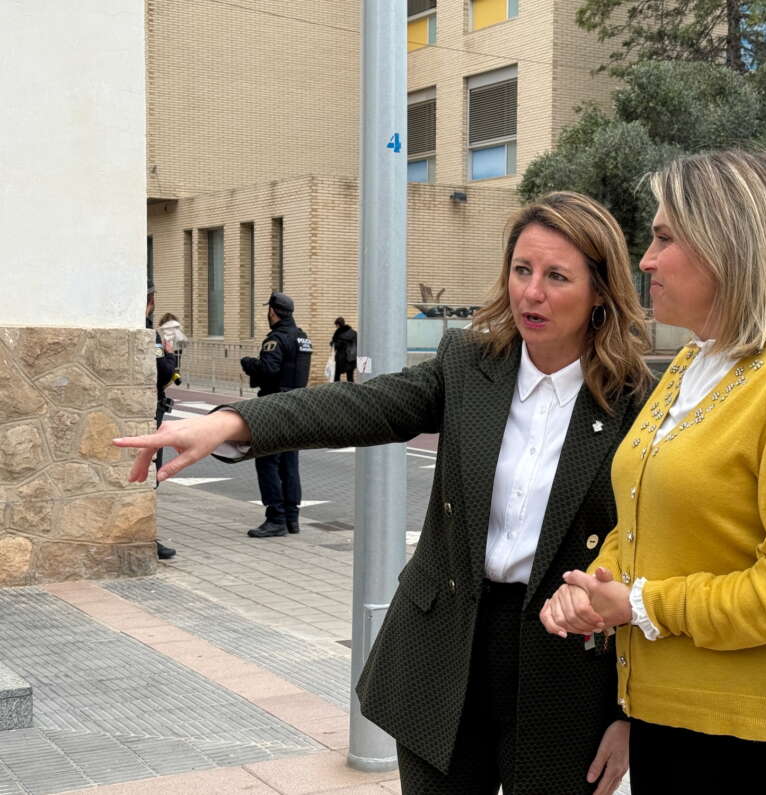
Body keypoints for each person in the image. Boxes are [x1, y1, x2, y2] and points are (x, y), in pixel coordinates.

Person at [114, 192, 654, 794]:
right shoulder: (470, 364)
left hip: (566, 669)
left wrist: (626, 715)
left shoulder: (638, 400)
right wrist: (232, 422)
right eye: (522, 270)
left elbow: (658, 555)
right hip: (442, 651)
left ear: (600, 290)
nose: (532, 292)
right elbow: (362, 405)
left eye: (557, 277)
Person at [540, 151, 766, 794]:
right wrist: (596, 585)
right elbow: (649, 518)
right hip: (670, 709)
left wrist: (641, 604)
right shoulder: (695, 360)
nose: (645, 260)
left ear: (728, 245)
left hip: (755, 730)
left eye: (665, 238)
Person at [239, 291, 313, 538]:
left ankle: (276, 518)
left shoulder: (276, 339)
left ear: (272, 311)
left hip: (275, 406)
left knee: (267, 460)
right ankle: (292, 518)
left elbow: (269, 369)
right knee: (290, 462)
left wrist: (250, 363)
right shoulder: (302, 337)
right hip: (297, 405)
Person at [146, 282, 178, 560]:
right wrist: (168, 354)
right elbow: (165, 371)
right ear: (151, 301)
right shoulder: (148, 332)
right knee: (149, 470)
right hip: (147, 410)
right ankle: (146, 536)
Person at [330, 316, 357, 382]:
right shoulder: (353, 333)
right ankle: (351, 388)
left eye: (336, 325)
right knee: (350, 377)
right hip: (351, 358)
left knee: (336, 376)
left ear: (338, 325)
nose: (336, 327)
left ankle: (337, 388)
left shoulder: (338, 333)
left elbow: (337, 345)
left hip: (341, 358)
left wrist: (332, 343)